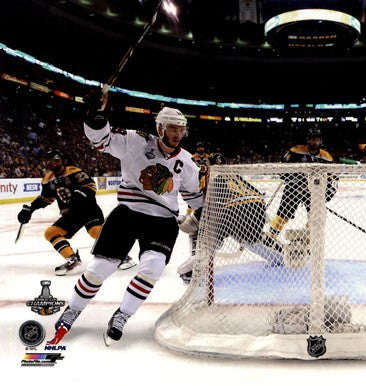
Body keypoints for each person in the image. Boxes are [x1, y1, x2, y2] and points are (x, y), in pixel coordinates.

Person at [48, 91, 204, 346]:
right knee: (99, 269)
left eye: (181, 129)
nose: (177, 134)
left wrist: (211, 206)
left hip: (162, 221)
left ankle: (123, 315)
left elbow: (193, 197)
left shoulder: (187, 162)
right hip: (128, 214)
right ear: (160, 127)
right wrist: (96, 118)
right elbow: (102, 141)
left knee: (152, 268)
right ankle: (72, 310)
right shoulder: (136, 141)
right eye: (172, 128)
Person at [177, 152, 267, 283]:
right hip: (258, 212)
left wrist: (192, 219)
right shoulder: (236, 176)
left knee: (201, 233)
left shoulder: (214, 178)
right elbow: (259, 195)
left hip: (232, 213)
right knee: (253, 241)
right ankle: (281, 256)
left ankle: (192, 269)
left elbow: (210, 205)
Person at [17, 150, 104, 276]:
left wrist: (79, 195)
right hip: (72, 214)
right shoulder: (48, 179)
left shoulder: (74, 172)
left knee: (95, 231)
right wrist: (30, 208)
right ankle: (73, 260)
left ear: (63, 161)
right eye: (51, 161)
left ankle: (122, 254)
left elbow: (90, 186)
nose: (54, 163)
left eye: (56, 160)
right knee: (51, 232)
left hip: (88, 209)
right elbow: (45, 199)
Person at [263, 126, 337, 253]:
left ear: (320, 140)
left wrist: (328, 193)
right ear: (307, 140)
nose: (314, 142)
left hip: (314, 193)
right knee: (284, 213)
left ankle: (309, 239)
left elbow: (333, 178)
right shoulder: (295, 151)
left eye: (317, 140)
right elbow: (281, 169)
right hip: (294, 189)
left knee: (316, 216)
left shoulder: (326, 157)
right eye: (312, 139)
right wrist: (293, 179)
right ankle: (271, 236)